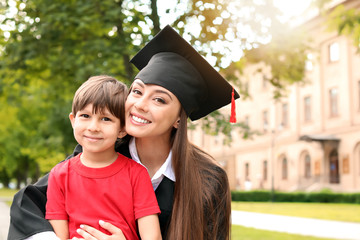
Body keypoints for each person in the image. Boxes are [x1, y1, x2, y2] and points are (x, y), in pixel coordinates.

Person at [8, 25, 240, 240]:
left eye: (159, 99)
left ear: (179, 119)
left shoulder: (207, 180)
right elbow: (28, 204)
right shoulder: (100, 151)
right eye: (137, 91)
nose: (140, 104)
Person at [45, 75, 161, 240]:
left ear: (122, 129)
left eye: (106, 119)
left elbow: (153, 237)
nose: (93, 127)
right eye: (85, 116)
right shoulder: (59, 175)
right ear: (73, 120)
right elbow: (59, 236)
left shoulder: (136, 174)